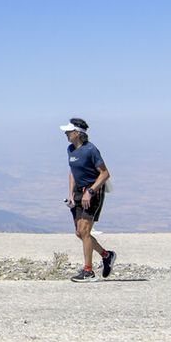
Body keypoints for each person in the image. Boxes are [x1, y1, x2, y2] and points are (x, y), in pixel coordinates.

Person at [61, 117, 115, 282]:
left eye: (69, 131)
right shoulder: (70, 149)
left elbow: (105, 174)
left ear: (77, 133)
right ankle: (106, 255)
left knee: (85, 231)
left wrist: (90, 191)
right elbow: (73, 172)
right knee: (80, 232)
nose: (66, 133)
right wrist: (71, 194)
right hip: (78, 193)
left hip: (92, 193)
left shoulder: (91, 150)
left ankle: (88, 270)